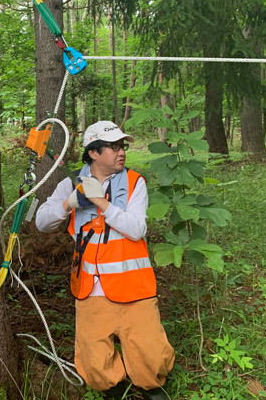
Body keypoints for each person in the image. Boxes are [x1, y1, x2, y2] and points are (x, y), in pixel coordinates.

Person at [35, 121, 175, 400]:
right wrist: (68, 204)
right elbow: (41, 222)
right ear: (94, 153)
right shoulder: (70, 182)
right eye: (113, 147)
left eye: (122, 146)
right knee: (94, 358)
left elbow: (137, 229)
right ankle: (114, 389)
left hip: (133, 286)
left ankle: (151, 388)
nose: (121, 152)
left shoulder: (136, 182)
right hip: (89, 288)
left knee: (150, 352)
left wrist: (101, 202)